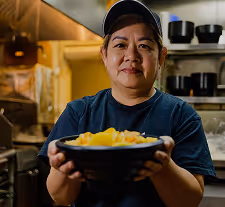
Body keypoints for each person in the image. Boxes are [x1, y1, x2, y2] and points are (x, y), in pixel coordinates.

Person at [38, 0, 216, 207]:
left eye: (144, 46)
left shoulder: (182, 114)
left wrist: (164, 167)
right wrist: (62, 168)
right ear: (104, 55)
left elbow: (190, 200)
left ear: (161, 57)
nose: (131, 56)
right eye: (120, 45)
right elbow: (60, 197)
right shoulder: (78, 112)